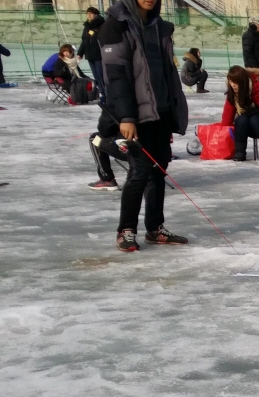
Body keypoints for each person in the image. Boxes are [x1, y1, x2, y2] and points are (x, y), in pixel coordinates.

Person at [99, 0, 189, 252]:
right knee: (139, 173)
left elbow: (166, 74)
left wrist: (173, 112)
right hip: (135, 116)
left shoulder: (160, 26)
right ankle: (126, 229)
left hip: (160, 111)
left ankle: (155, 228)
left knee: (159, 170)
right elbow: (116, 76)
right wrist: (127, 117)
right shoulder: (115, 26)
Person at [220, 65, 259, 163]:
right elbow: (227, 117)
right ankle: (240, 152)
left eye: (235, 82)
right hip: (251, 126)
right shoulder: (233, 93)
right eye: (230, 82)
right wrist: (221, 135)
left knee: (255, 119)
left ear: (242, 81)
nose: (233, 85)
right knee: (241, 119)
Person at [88, 110, 127, 190]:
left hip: (129, 148)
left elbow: (104, 129)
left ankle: (107, 178)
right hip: (152, 147)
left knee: (94, 138)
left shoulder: (118, 101)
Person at [80, 6, 105, 104]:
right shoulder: (87, 26)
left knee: (101, 75)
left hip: (99, 55)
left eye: (90, 13)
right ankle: (102, 93)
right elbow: (84, 41)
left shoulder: (101, 25)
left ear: (96, 15)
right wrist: (80, 53)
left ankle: (106, 93)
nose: (88, 15)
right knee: (96, 76)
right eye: (87, 13)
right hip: (90, 55)